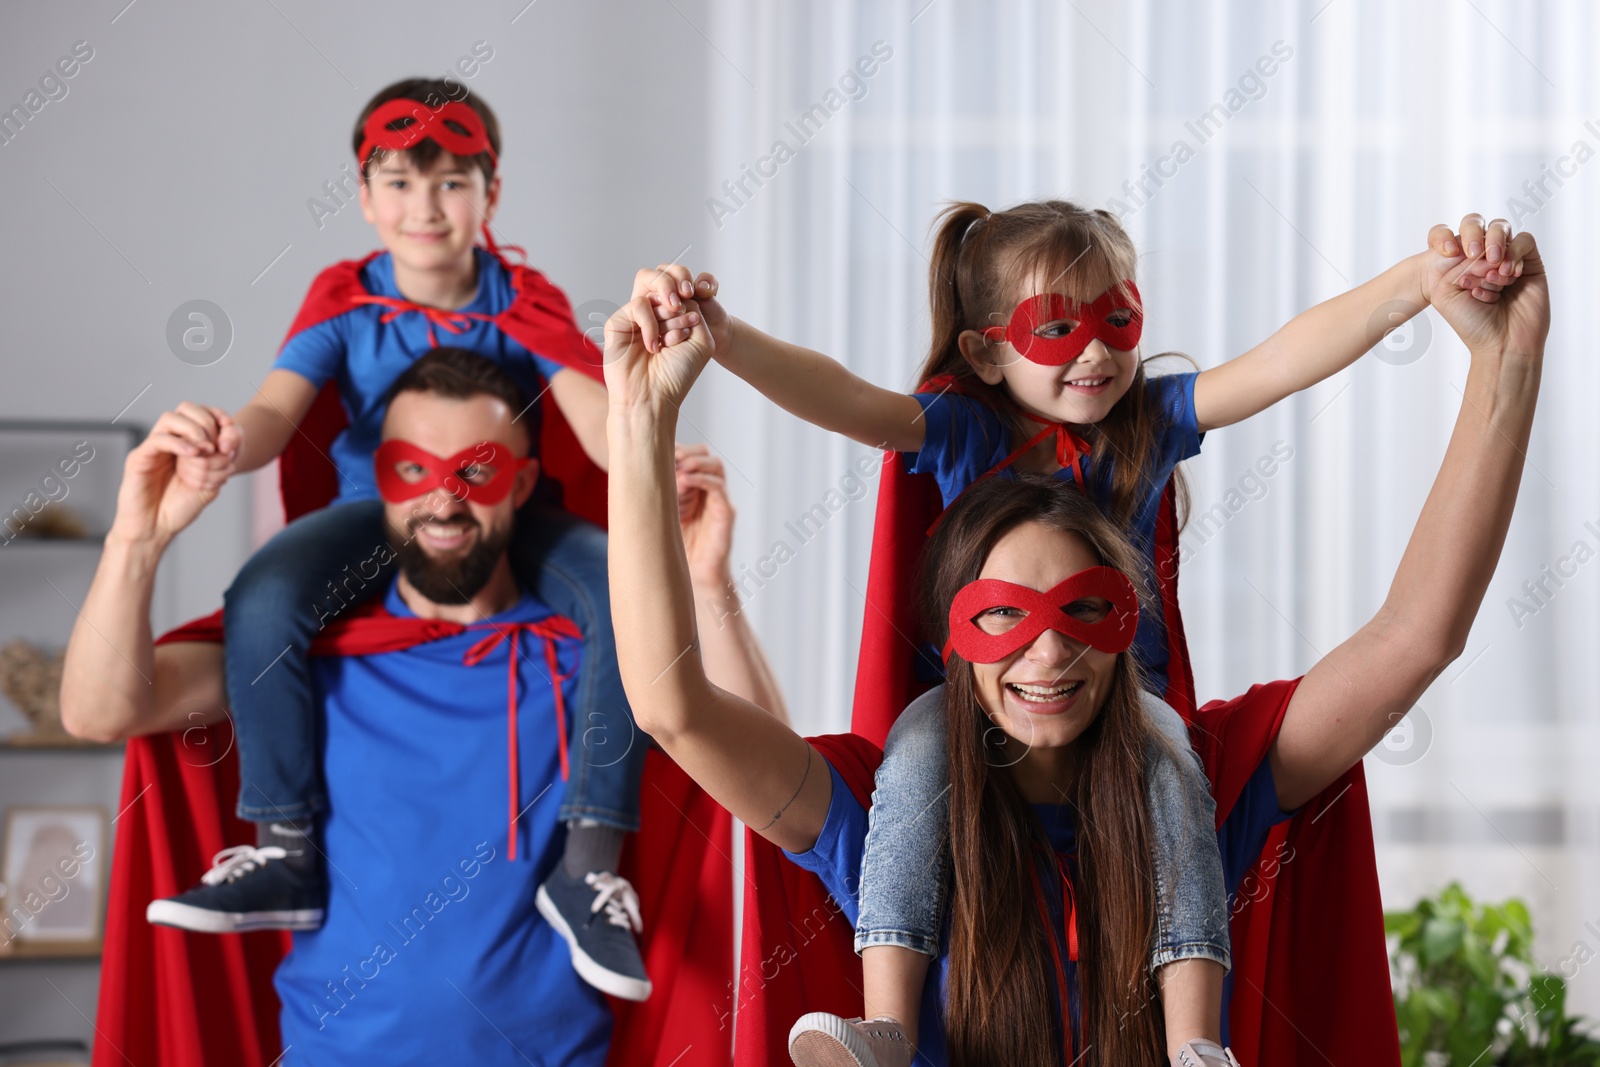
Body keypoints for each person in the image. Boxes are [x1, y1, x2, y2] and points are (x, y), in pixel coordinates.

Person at [601, 217, 1547, 1065]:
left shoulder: (1206, 784)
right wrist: (643, 420)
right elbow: (669, 706)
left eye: (1088, 610)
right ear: (951, 628)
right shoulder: (890, 815)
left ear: (1133, 613)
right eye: (1004, 614)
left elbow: (1417, 634)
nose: (1049, 652)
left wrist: (1502, 361)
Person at [60, 349, 784, 1065]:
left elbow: (774, 783)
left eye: (476, 470)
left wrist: (708, 584)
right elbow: (98, 712)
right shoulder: (302, 657)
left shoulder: (593, 658)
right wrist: (137, 538)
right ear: (379, 482)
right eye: (413, 469)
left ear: (523, 482)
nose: (444, 499)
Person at [149, 77, 651, 1000]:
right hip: (371, 512)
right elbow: (274, 409)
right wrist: (229, 442)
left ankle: (587, 860)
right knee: (262, 598)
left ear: (491, 194)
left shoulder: (522, 296)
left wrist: (652, 443)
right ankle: (285, 847)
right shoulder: (345, 298)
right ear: (365, 193)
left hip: (508, 515)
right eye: (400, 182)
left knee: (628, 594)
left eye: (453, 182)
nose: (426, 207)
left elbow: (599, 425)